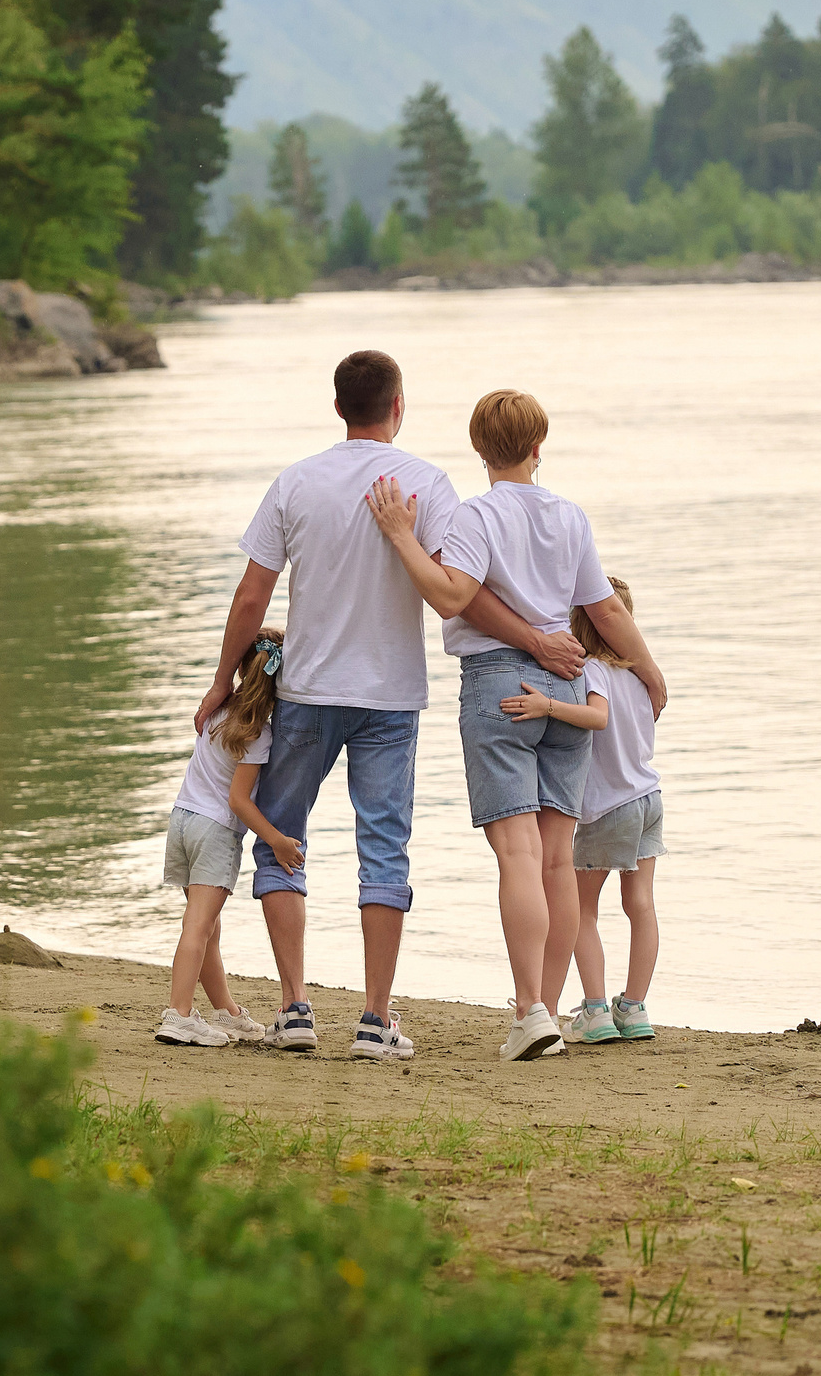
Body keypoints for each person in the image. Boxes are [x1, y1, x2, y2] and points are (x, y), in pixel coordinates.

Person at [197, 351, 584, 1061]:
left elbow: (252, 596)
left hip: (307, 690)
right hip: (391, 699)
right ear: (398, 405)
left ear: (339, 406)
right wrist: (540, 641)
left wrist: (223, 678)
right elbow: (460, 594)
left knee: (281, 837)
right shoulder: (427, 484)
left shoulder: (296, 481)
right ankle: (376, 1021)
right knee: (384, 849)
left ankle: (295, 1009)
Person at [367, 388, 665, 1063]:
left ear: (480, 450)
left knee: (519, 856)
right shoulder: (569, 516)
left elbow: (450, 596)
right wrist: (648, 668)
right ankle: (552, 1011)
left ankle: (531, 1010)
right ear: (538, 447)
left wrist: (401, 537)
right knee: (559, 858)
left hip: (501, 686)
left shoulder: (476, 518)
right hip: (566, 680)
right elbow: (606, 614)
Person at [157, 628, 302, 1047]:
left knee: (207, 930)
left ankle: (228, 1013)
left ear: (240, 668)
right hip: (215, 830)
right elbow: (239, 801)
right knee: (199, 927)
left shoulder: (217, 709)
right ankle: (178, 1015)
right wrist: (276, 839)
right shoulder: (258, 732)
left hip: (182, 821)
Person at [534, 577, 663, 1042]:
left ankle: (595, 1010)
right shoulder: (641, 677)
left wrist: (546, 705)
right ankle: (634, 1008)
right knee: (641, 905)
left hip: (608, 806)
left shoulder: (592, 672)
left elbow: (597, 717)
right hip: (649, 798)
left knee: (583, 908)